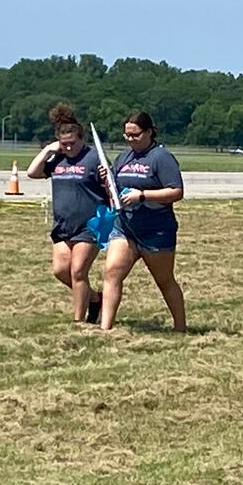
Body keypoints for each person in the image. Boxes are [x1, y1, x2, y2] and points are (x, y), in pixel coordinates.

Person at [98, 111, 186, 332]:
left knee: (164, 280)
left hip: (156, 230)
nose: (130, 140)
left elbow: (176, 191)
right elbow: (115, 191)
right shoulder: (123, 158)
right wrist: (106, 180)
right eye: (126, 135)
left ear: (148, 132)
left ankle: (180, 327)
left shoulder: (161, 157)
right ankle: (105, 328)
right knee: (112, 272)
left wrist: (143, 195)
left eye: (135, 135)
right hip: (125, 227)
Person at [27, 104, 107, 323]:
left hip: (90, 224)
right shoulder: (57, 159)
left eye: (72, 143)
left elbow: (111, 188)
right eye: (65, 144)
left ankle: (78, 321)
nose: (69, 148)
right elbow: (32, 173)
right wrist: (47, 152)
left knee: (78, 271)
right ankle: (94, 299)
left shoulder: (93, 158)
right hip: (62, 226)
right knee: (61, 271)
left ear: (81, 138)